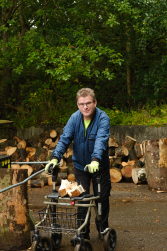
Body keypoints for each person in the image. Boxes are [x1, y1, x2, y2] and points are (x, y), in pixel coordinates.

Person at [45, 87, 111, 241]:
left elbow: (101, 140)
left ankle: (103, 230)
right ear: (77, 105)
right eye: (82, 104)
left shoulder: (103, 118)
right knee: (81, 198)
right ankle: (83, 233)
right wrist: (55, 157)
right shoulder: (74, 118)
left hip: (99, 167)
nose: (85, 107)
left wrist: (95, 160)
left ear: (95, 102)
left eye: (88, 103)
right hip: (81, 166)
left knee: (102, 198)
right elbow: (65, 138)